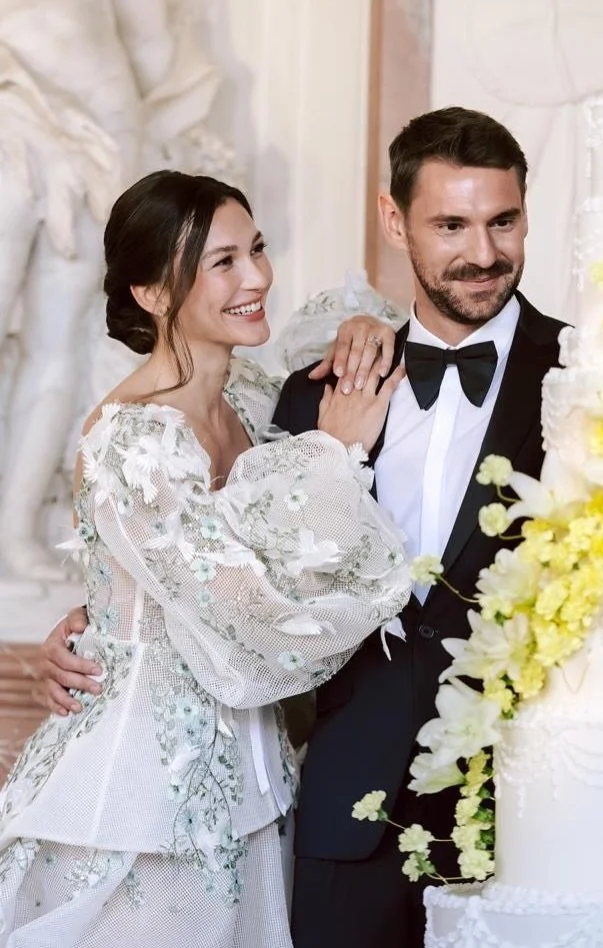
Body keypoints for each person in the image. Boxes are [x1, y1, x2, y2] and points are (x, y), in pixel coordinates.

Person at [37, 107, 567, 946]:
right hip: (301, 803)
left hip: (528, 800)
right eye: (449, 225)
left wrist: (117, 604)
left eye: (502, 221)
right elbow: (229, 594)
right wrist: (106, 619)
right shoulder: (305, 405)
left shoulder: (576, 378)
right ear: (395, 221)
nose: (481, 251)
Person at [0, 170, 411, 947]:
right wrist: (332, 454)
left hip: (257, 784)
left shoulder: (246, 395)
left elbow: (360, 330)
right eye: (222, 262)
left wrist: (363, 325)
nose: (256, 277)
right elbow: (247, 612)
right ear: (153, 293)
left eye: (256, 248)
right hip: (144, 799)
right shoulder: (132, 439)